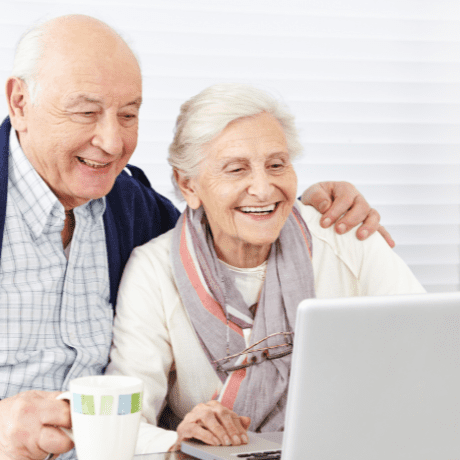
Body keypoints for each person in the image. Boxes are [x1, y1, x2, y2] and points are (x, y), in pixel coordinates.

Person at [0, 14, 386, 460]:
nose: (110, 141)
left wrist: (306, 204)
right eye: (86, 112)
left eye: (128, 114)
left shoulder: (130, 207)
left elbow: (220, 217)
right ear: (20, 102)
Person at [106, 83, 425, 454]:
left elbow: (432, 357)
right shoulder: (152, 271)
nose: (263, 187)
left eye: (276, 165)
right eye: (236, 169)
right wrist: (179, 438)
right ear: (188, 184)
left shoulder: (346, 237)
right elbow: (122, 423)